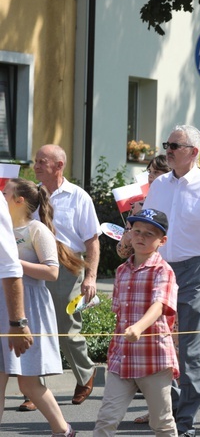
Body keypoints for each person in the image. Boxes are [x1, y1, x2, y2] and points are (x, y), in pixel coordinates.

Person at [142, 125, 200, 437]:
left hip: (195, 270)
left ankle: (185, 421)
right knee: (160, 345)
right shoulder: (160, 184)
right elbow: (147, 224)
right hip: (160, 268)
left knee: (190, 349)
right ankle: (169, 410)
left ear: (193, 152)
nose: (168, 149)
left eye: (175, 145)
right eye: (167, 144)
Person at [0, 179, 78, 437]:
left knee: (29, 382)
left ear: (19, 200)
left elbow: (52, 271)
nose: (2, 194)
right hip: (5, 303)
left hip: (29, 307)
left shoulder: (36, 229)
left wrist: (13, 264)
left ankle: (63, 429)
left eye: (6, 192)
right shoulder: (3, 227)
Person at [93, 209, 179, 437]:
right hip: (122, 357)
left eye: (149, 234)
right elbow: (119, 315)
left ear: (162, 241)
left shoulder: (164, 270)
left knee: (161, 422)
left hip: (153, 359)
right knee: (106, 419)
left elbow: (160, 304)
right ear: (129, 234)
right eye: (136, 231)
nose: (141, 237)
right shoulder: (122, 270)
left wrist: (139, 327)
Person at [33, 144, 100, 406]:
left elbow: (92, 241)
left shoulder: (79, 197)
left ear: (59, 166)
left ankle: (86, 374)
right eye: (36, 160)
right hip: (35, 265)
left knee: (67, 331)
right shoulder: (31, 195)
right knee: (35, 329)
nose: (36, 165)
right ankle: (34, 388)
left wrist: (91, 277)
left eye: (42, 161)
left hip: (68, 268)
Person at [117, 154, 172, 261]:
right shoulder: (138, 206)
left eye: (156, 172)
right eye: (149, 172)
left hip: (175, 264)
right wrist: (126, 241)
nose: (150, 176)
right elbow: (122, 253)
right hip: (145, 267)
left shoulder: (177, 202)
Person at [0, 197, 34, 359]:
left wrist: (18, 323)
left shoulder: (36, 229)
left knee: (30, 383)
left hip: (31, 297)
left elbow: (9, 265)